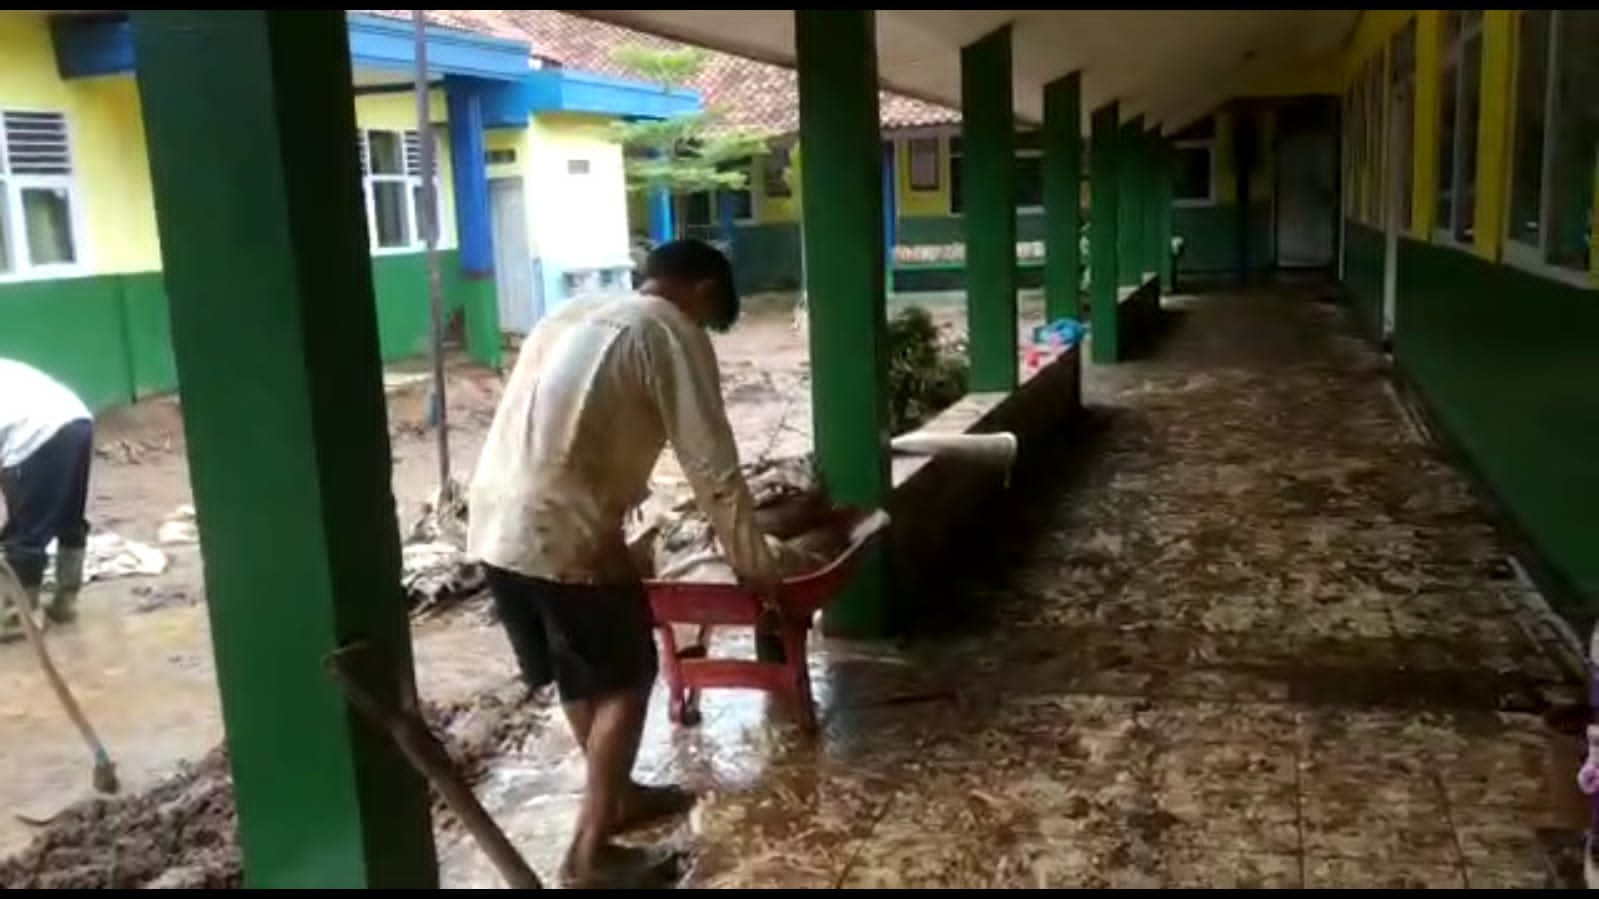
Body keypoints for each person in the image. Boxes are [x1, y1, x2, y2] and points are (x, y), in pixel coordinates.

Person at [467, 239, 780, 888]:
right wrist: (755, 567)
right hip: (563, 524)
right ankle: (587, 853)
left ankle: (618, 797)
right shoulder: (671, 330)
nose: (705, 322)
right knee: (627, 677)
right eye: (710, 307)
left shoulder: (569, 313)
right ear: (699, 290)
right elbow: (711, 465)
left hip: (494, 518)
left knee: (580, 671)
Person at [1, 357, 94, 642]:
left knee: (25, 532)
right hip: (76, 420)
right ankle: (66, 600)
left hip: (34, 432)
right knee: (67, 515)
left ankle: (19, 616)